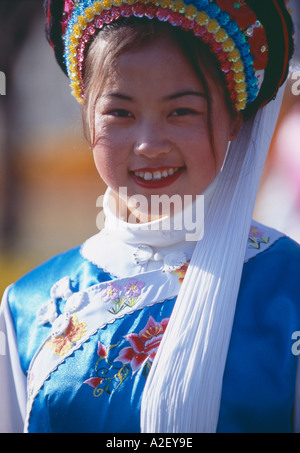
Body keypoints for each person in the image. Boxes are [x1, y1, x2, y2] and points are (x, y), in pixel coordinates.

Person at [0, 0, 299, 433]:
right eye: (120, 113)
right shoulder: (28, 308)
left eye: (182, 111)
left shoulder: (287, 290)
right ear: (86, 119)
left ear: (235, 118)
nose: (150, 144)